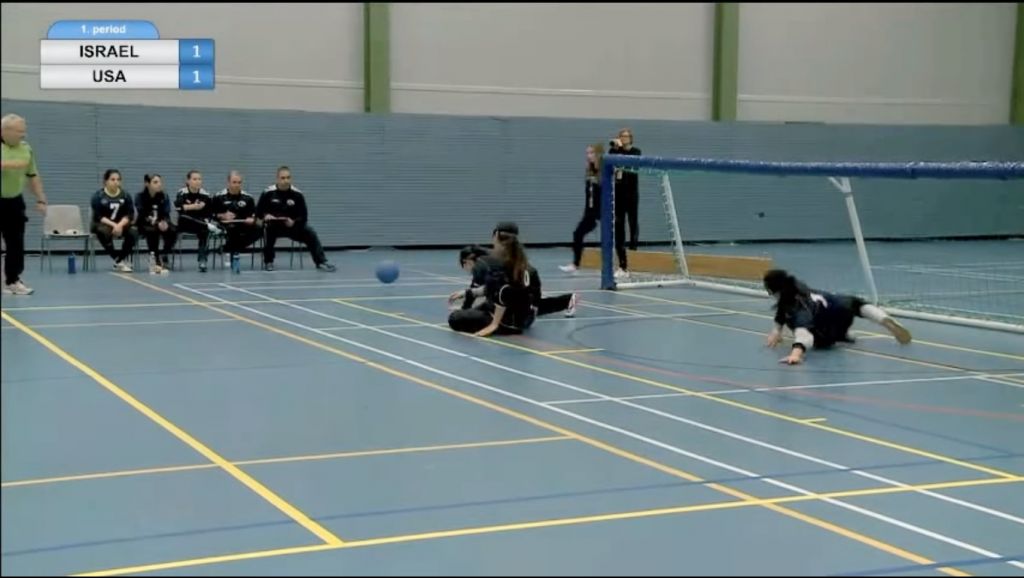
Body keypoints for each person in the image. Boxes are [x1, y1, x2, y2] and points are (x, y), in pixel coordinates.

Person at [763, 269, 912, 365]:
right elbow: (782, 308)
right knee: (858, 305)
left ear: (775, 292)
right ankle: (883, 319)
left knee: (820, 342)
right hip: (840, 305)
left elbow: (804, 333)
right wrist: (776, 330)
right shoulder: (799, 287)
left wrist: (795, 354)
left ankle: (840, 335)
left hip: (826, 323)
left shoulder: (798, 308)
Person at [448, 226, 535, 337]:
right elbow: (494, 288)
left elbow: (503, 292)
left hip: (510, 321)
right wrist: (467, 293)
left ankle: (498, 324)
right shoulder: (516, 262)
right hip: (524, 315)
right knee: (470, 312)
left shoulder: (497, 265)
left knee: (454, 318)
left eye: (494, 240)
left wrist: (494, 325)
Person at [1, 113, 48, 295]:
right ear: (4, 131)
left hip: (14, 202)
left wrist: (41, 198)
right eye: (19, 131)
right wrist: (6, 165)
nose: (23, 135)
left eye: (24, 131)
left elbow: (33, 176)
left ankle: (13, 280)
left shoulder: (26, 149)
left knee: (16, 243)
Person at [256, 166, 335, 272]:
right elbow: (258, 212)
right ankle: (268, 262)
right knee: (267, 232)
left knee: (310, 232)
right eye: (283, 178)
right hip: (273, 226)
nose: (285, 181)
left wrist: (294, 222)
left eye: (288, 178)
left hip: (292, 227)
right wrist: (266, 216)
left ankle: (321, 262)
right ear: (277, 179)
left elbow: (304, 216)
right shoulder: (267, 193)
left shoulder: (297, 194)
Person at [559, 143, 604, 274]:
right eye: (587, 153)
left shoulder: (603, 170)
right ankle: (575, 264)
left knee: (611, 237)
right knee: (577, 233)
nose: (589, 156)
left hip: (603, 210)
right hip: (590, 210)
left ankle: (618, 266)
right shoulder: (588, 170)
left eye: (592, 153)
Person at [608, 128, 641, 279]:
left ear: (630, 138)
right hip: (619, 194)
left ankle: (634, 247)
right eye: (621, 136)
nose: (624, 138)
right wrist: (616, 148)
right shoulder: (614, 151)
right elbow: (610, 162)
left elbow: (630, 163)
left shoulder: (636, 151)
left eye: (626, 136)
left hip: (631, 193)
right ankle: (622, 262)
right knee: (618, 224)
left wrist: (621, 148)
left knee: (632, 221)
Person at [90, 169, 137, 272]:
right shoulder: (98, 196)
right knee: (103, 232)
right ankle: (117, 259)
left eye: (118, 179)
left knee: (133, 232)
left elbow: (130, 214)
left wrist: (119, 225)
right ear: (105, 181)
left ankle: (120, 260)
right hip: (103, 223)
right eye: (113, 179)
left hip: (121, 224)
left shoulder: (125, 196)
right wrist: (114, 225)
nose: (116, 182)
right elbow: (99, 216)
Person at [211, 171, 262, 257]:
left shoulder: (248, 198)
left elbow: (254, 214)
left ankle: (228, 248)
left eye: (239, 182)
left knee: (260, 228)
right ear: (228, 183)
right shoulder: (218, 197)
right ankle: (234, 252)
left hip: (243, 224)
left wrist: (252, 219)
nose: (237, 185)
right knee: (233, 229)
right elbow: (211, 214)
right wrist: (222, 216)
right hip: (226, 225)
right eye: (234, 182)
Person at [135, 173, 177, 274]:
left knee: (173, 230)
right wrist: (156, 222)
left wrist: (165, 222)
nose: (159, 184)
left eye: (160, 182)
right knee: (152, 231)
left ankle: (165, 254)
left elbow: (166, 212)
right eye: (155, 182)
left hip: (160, 222)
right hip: (144, 223)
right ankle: (155, 258)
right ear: (147, 184)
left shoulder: (164, 196)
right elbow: (142, 214)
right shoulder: (140, 197)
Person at [174, 170, 215, 272]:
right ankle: (206, 225)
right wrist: (194, 207)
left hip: (199, 224)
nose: (197, 181)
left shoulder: (205, 194)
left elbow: (208, 212)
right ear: (188, 181)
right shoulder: (182, 192)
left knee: (204, 231)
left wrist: (188, 207)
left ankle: (202, 260)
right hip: (185, 223)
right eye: (194, 179)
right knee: (183, 218)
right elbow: (179, 208)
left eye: (199, 179)